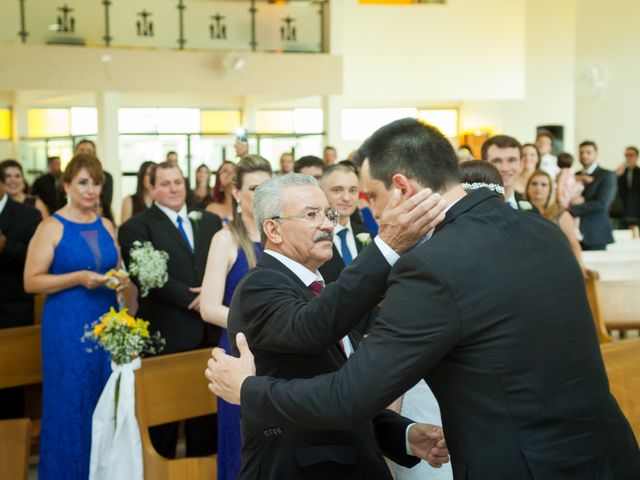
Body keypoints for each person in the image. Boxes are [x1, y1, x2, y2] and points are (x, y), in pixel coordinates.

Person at [207, 118, 640, 480]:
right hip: (606, 453)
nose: (368, 213)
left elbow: (348, 395)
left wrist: (248, 389)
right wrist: (404, 433)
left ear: (401, 188)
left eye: (371, 197)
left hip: (524, 464)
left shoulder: (433, 264)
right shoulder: (541, 232)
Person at [217, 172, 448, 479]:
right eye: (311, 215)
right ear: (274, 229)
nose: (327, 224)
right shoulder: (260, 286)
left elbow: (336, 395)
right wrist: (386, 246)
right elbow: (312, 328)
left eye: (328, 214)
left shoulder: (321, 288)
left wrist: (404, 435)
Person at [24, 154, 127, 480]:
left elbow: (117, 268)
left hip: (106, 321)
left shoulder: (106, 224)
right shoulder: (51, 227)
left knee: (103, 398)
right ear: (66, 184)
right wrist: (78, 277)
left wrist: (122, 280)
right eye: (83, 182)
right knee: (71, 402)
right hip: (67, 326)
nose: (91, 190)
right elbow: (31, 281)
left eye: (96, 183)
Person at [118, 161, 223, 459]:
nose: (174, 188)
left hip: (209, 333)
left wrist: (212, 293)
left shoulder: (209, 221)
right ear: (151, 189)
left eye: (177, 182)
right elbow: (147, 275)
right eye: (165, 184)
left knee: (206, 421)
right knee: (163, 423)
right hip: (167, 333)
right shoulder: (135, 227)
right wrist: (199, 300)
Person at [200, 155, 272, 480]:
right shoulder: (225, 239)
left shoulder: (281, 235)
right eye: (254, 188)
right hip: (238, 354)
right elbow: (209, 307)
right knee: (242, 447)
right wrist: (260, 325)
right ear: (236, 192)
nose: (261, 195)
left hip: (278, 355)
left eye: (267, 187)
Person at [0, 166, 42, 419]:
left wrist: (7, 247)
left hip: (10, 310)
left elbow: (37, 258)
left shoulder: (27, 215)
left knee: (9, 389)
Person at [526, 169, 586, 273]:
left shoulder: (560, 213)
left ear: (550, 190)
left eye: (544, 185)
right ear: (527, 188)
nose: (538, 188)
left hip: (558, 266)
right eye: (534, 184)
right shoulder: (520, 211)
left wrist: (579, 268)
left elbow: (574, 245)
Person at [570, 140, 617, 250]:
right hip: (573, 233)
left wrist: (572, 208)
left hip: (596, 233)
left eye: (588, 152)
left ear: (596, 153)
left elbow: (602, 203)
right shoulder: (574, 175)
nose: (584, 155)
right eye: (581, 152)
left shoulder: (607, 175)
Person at [481, 135, 535, 211]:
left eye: (512, 160)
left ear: (521, 164)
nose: (505, 168)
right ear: (484, 165)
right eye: (497, 161)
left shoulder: (531, 210)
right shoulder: (470, 209)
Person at [75, 139, 114, 222]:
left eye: (89, 151)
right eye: (81, 150)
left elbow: (106, 204)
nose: (85, 154)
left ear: (94, 154)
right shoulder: (68, 177)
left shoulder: (106, 176)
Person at [616, 146, 640, 226]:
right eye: (626, 155)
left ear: (637, 157)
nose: (628, 157)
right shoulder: (620, 173)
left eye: (631, 155)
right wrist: (616, 175)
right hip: (622, 211)